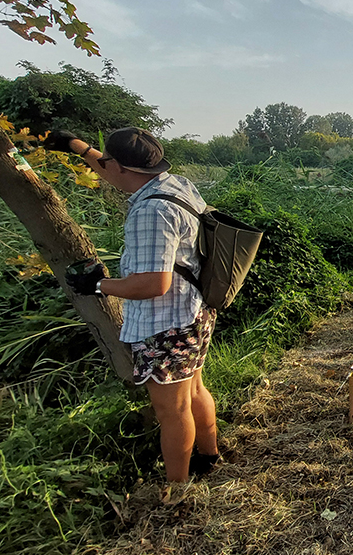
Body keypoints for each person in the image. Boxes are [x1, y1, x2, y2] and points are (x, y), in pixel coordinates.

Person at [43, 127, 220, 498]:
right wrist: (77, 147)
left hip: (166, 322)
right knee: (195, 389)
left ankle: (177, 488)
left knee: (171, 410)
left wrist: (99, 286)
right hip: (194, 312)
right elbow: (116, 170)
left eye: (106, 162)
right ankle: (209, 457)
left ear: (121, 166)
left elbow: (154, 284)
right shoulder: (175, 184)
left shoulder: (151, 212)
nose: (102, 168)